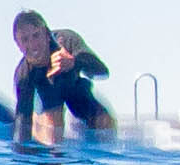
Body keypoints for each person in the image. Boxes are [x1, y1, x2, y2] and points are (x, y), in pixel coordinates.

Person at [11, 11, 114, 144]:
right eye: (25, 40)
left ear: (47, 35)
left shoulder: (67, 41)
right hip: (47, 103)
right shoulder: (24, 76)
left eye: (36, 35)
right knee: (52, 138)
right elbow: (22, 127)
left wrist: (74, 62)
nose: (32, 44)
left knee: (105, 125)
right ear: (18, 44)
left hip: (76, 91)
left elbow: (102, 72)